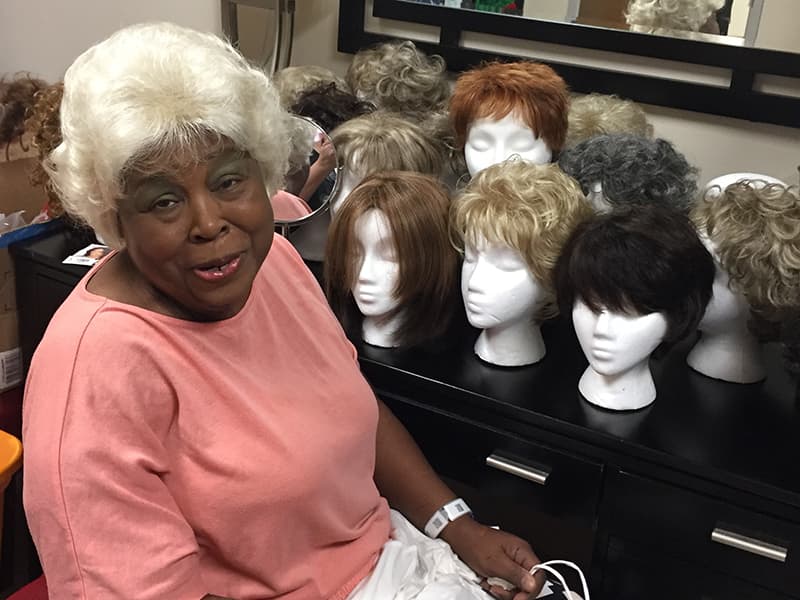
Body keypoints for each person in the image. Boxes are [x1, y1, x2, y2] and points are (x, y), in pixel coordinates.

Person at [22, 22, 546, 600]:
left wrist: (457, 528)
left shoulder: (270, 262)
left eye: (229, 180)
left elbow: (350, 403)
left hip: (390, 559)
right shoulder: (96, 373)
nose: (209, 223)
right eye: (164, 200)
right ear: (115, 219)